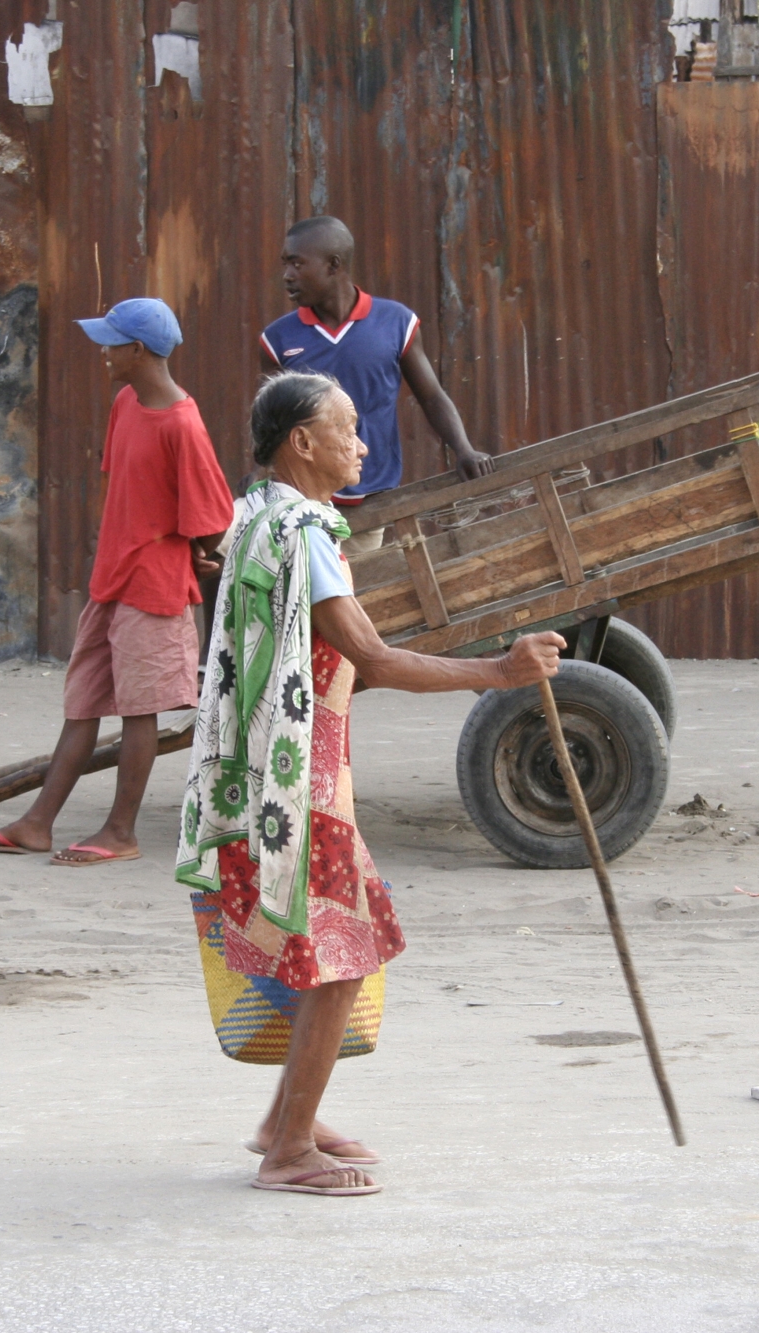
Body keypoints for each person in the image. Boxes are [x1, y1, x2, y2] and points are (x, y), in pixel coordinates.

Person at [177, 371, 562, 1196]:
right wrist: (497, 670)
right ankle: (287, 1152)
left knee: (320, 946)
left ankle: (289, 1120)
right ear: (301, 444)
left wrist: (471, 672)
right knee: (339, 954)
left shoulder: (256, 517)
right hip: (297, 783)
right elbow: (375, 657)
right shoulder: (308, 531)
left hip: (264, 772)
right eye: (346, 429)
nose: (362, 443)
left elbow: (336, 664)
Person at [0, 298, 234, 865]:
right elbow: (139, 492)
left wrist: (197, 555)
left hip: (154, 587)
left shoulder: (182, 423)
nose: (102, 352)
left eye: (111, 343)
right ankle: (37, 822)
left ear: (137, 352)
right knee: (83, 704)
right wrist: (194, 549)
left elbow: (211, 516)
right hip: (113, 578)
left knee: (140, 711)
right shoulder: (125, 403)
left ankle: (121, 832)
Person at [258, 216, 492, 552]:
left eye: (297, 263)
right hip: (301, 499)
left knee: (353, 593)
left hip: (367, 495)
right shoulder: (277, 339)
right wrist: (260, 470)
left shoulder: (395, 323)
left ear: (333, 265)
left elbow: (431, 397)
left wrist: (464, 448)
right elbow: (268, 422)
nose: (287, 275)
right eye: (285, 264)